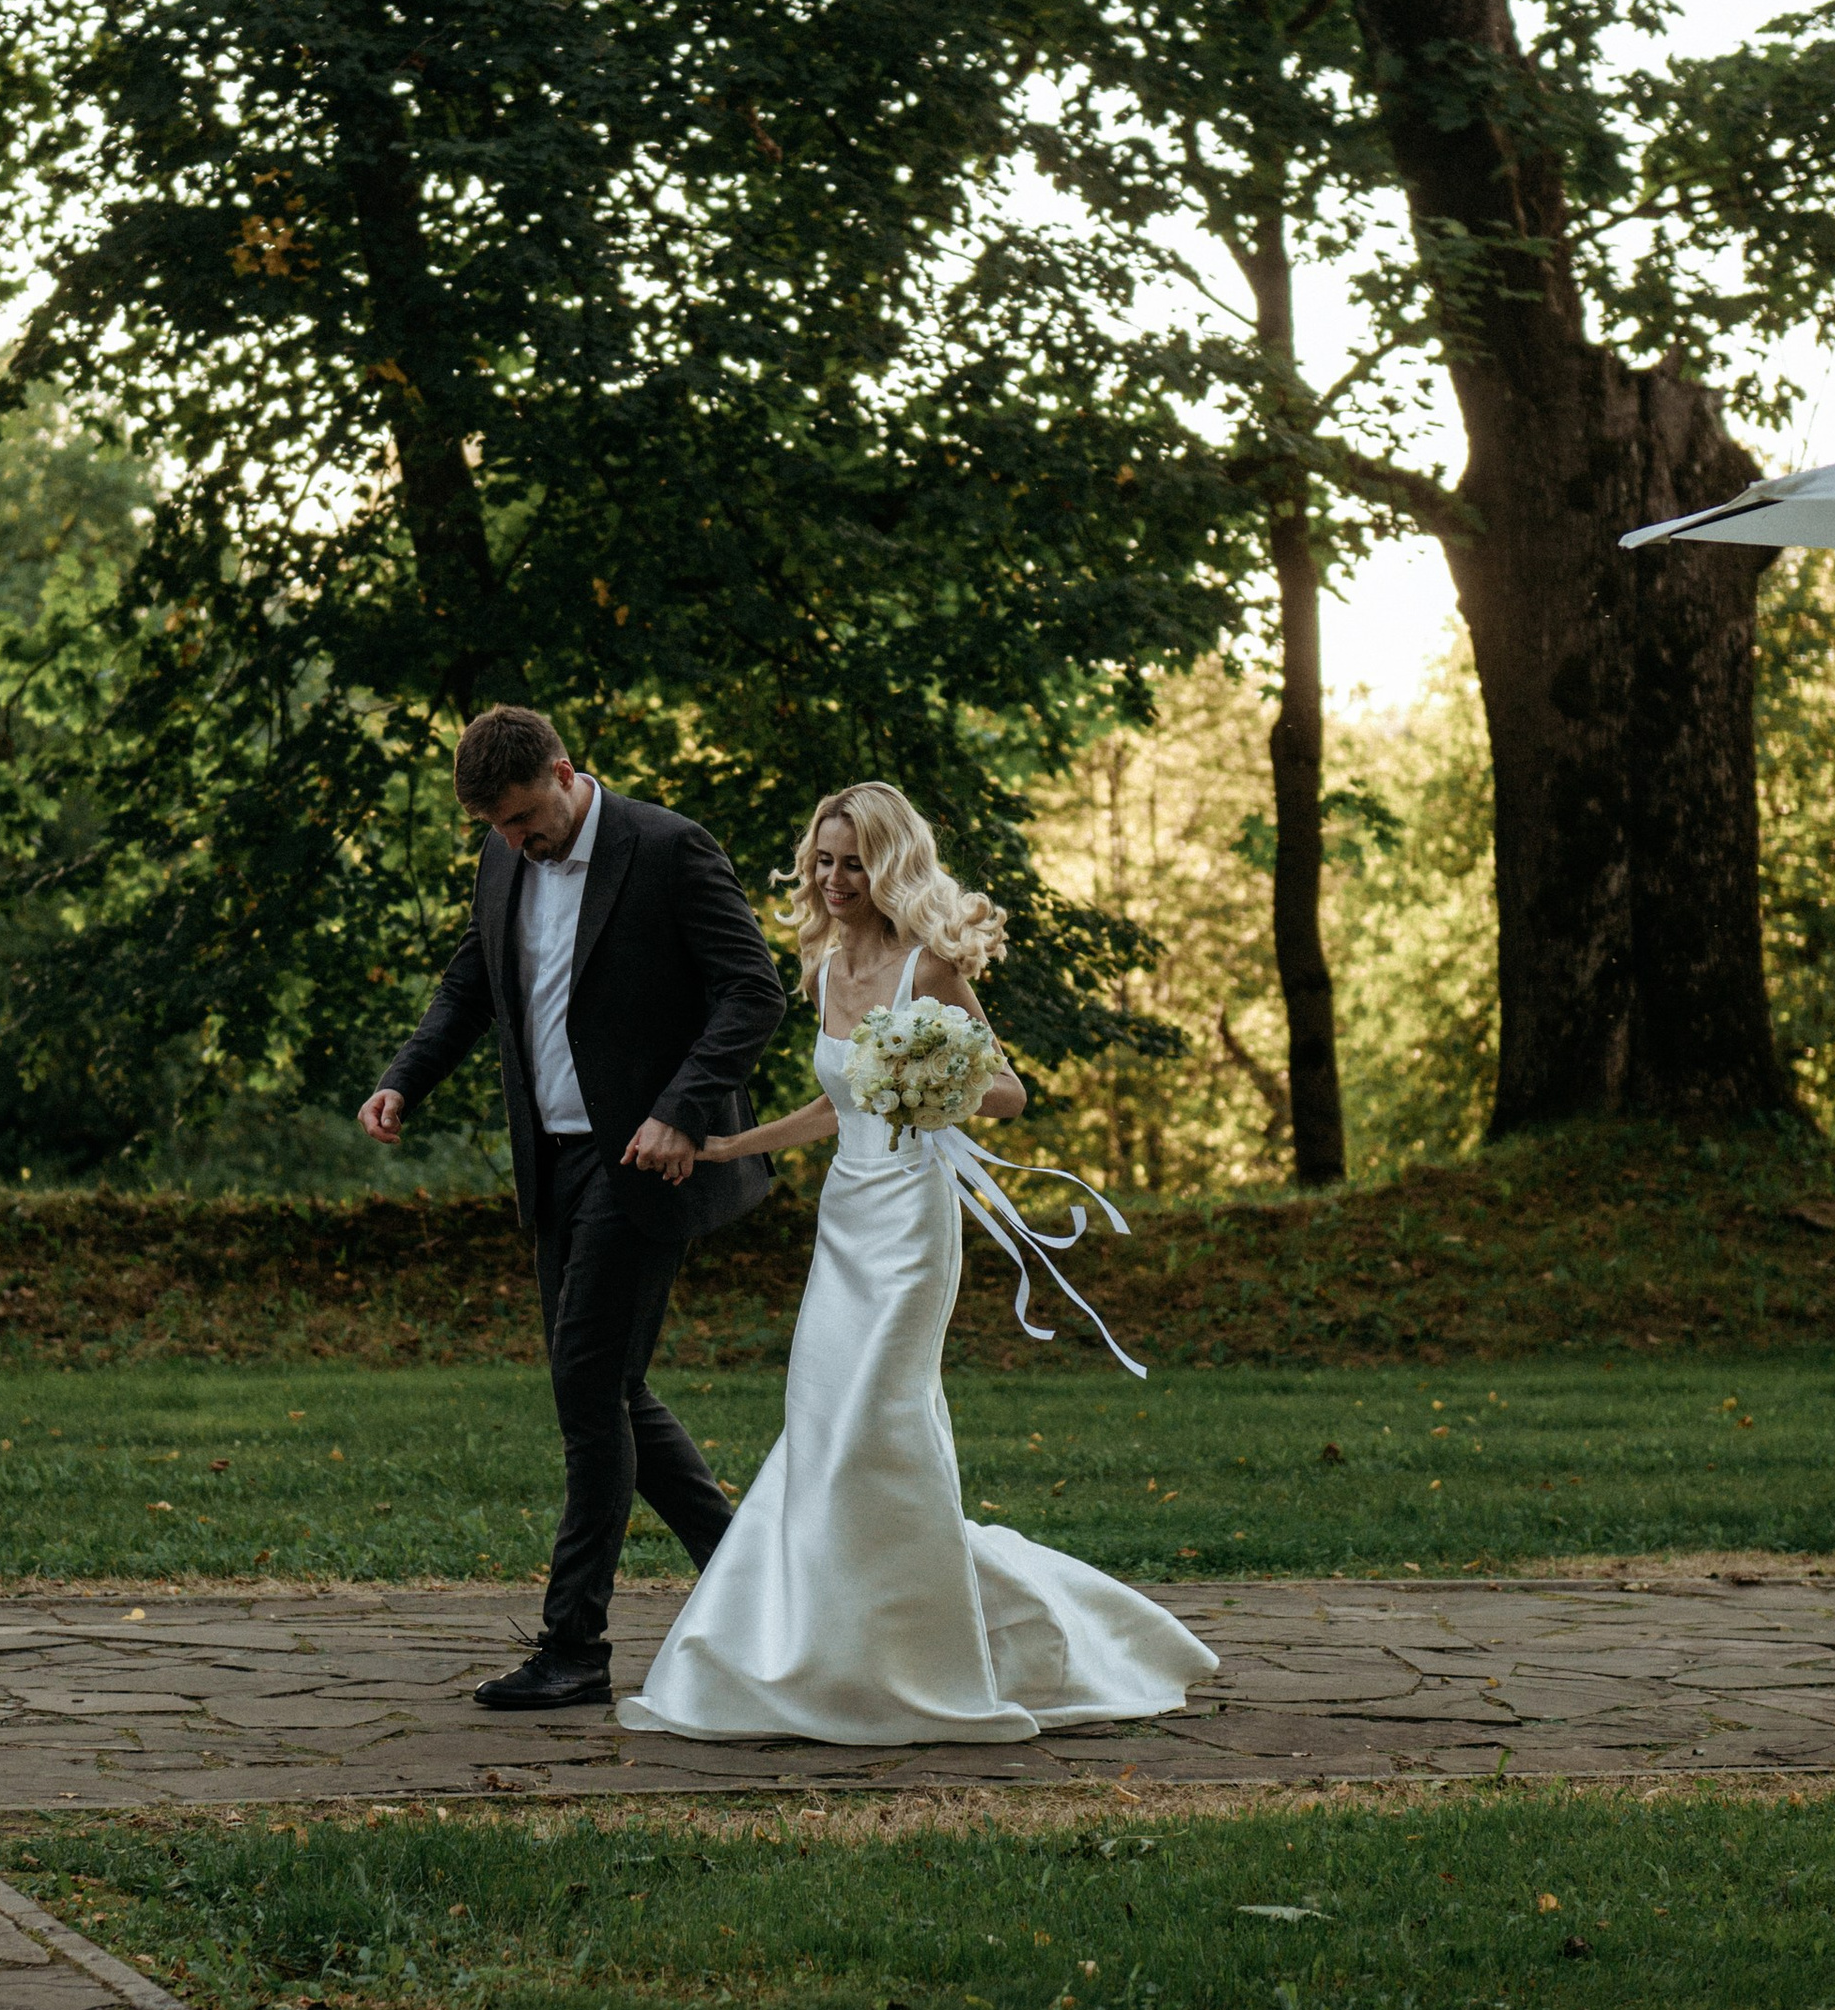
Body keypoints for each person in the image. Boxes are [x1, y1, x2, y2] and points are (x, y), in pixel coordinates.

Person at [619, 781, 1218, 1746]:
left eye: (854, 861)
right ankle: (834, 1652)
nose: (835, 878)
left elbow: (1011, 1094)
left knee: (873, 1428)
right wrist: (731, 1146)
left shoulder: (929, 971)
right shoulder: (818, 971)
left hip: (912, 1230)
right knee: (822, 1433)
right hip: (845, 1220)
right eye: (823, 860)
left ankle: (921, 1663)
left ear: (889, 864)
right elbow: (836, 1104)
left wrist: (927, 1074)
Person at [360, 705, 789, 1711]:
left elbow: (752, 990)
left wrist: (682, 1112)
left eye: (521, 817)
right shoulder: (504, 857)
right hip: (548, 1155)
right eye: (495, 829)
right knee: (606, 1382)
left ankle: (574, 1645)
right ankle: (750, 1577)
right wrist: (405, 1077)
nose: (514, 840)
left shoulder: (667, 847)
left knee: (588, 1390)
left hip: (642, 1156)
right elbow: (475, 980)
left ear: (563, 772)